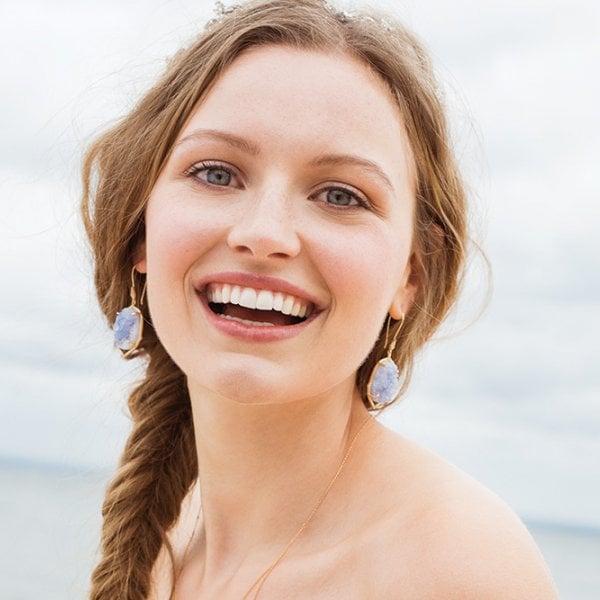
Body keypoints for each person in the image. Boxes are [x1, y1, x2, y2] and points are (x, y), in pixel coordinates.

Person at [81, 0, 558, 598]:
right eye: (216, 173)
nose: (264, 233)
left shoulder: (460, 566)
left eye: (340, 195)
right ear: (139, 230)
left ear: (411, 275)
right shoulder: (160, 543)